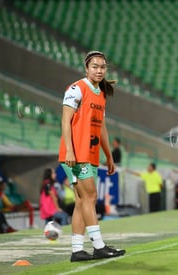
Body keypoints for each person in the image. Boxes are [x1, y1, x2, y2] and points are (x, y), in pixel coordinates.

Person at [58, 51, 125, 262]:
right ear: (86, 68)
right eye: (95, 66)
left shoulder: (101, 93)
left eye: (103, 67)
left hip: (91, 153)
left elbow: (102, 128)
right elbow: (65, 121)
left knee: (81, 201)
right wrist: (69, 150)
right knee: (90, 198)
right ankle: (98, 246)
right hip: (76, 154)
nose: (99, 70)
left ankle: (77, 250)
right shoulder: (76, 89)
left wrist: (109, 156)